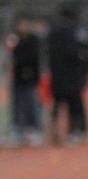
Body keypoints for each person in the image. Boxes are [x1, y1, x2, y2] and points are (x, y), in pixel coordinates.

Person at [47, 5, 88, 144]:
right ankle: (77, 130)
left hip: (57, 74)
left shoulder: (53, 31)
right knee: (75, 103)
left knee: (57, 103)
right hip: (73, 75)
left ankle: (54, 128)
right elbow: (83, 53)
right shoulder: (77, 30)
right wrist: (85, 70)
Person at [6, 14, 43, 145]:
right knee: (17, 103)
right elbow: (11, 57)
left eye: (25, 24)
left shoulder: (34, 39)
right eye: (21, 24)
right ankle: (18, 130)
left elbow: (34, 57)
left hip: (31, 77)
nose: (23, 26)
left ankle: (34, 129)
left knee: (32, 103)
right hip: (18, 77)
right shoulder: (14, 39)